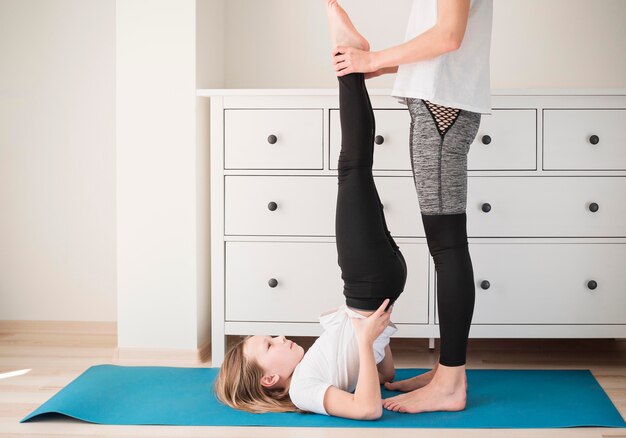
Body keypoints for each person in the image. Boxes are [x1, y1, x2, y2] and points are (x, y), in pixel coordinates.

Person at [212, 1, 410, 420]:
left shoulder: (314, 372)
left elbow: (385, 373)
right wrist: (363, 339)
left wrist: (375, 342)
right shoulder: (302, 390)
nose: (281, 338)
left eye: (270, 337)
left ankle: (351, 61)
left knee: (357, 168)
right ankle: (348, 58)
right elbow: (368, 410)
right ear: (269, 380)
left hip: (377, 286)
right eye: (269, 346)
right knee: (353, 165)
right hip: (367, 284)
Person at [330, 0, 493, 414]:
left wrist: (374, 57)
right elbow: (440, 40)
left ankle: (451, 383)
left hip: (443, 112)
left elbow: (448, 36)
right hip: (440, 105)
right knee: (447, 246)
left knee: (448, 247)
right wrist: (377, 66)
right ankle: (446, 372)